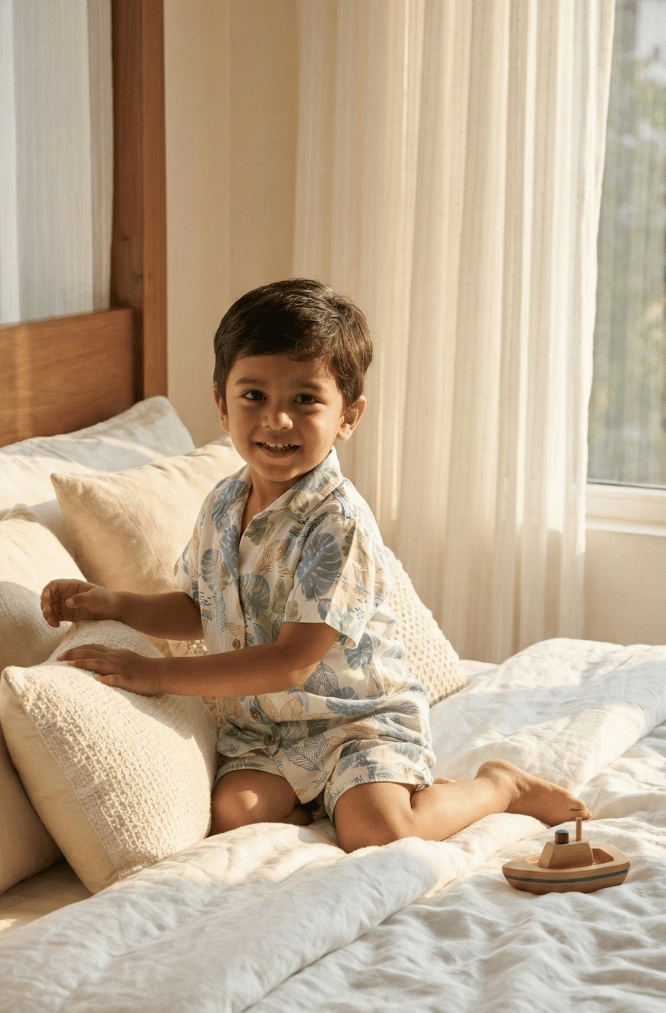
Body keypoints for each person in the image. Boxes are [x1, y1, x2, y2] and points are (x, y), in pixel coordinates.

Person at [41, 278, 590, 852]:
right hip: (263, 730)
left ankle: (498, 785)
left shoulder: (338, 522)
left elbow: (291, 662)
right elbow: (200, 609)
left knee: (378, 833)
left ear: (348, 416)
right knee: (233, 815)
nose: (277, 420)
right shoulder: (222, 504)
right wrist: (115, 604)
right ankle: (320, 799)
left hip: (356, 722)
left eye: (305, 400)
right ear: (222, 405)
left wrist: (154, 674)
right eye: (254, 396)